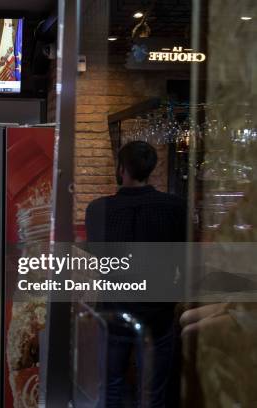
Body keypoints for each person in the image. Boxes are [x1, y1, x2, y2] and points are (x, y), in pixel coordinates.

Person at [85, 141, 186, 408]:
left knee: (109, 389)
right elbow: (184, 260)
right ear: (151, 169)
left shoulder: (97, 209)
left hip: (114, 311)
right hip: (158, 313)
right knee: (152, 394)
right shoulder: (175, 207)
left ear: (121, 168)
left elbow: (97, 258)